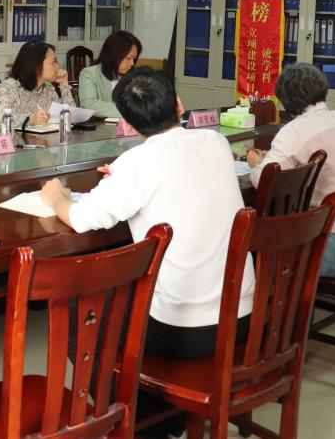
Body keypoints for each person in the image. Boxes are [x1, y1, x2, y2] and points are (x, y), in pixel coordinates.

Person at [41, 68, 253, 436]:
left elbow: (80, 218)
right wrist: (122, 178)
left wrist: (56, 195)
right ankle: (168, 414)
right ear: (179, 105)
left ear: (126, 123)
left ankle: (140, 424)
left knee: (81, 315)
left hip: (182, 330)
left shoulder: (136, 163)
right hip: (242, 316)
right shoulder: (216, 142)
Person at [247, 63, 335, 278]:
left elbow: (263, 180)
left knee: (252, 241)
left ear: (285, 100)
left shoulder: (295, 130)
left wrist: (256, 163)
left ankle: (261, 295)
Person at [0, 41, 74, 128]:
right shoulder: (8, 88)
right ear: (36, 65)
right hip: (1, 138)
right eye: (53, 62)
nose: (58, 67)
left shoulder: (48, 88)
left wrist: (64, 86)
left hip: (35, 138)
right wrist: (30, 119)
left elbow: (70, 117)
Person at [77, 30, 142, 118]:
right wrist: (129, 111)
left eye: (134, 58)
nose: (132, 63)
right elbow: (88, 104)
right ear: (114, 55)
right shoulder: (89, 74)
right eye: (128, 58)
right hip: (101, 126)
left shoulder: (133, 76)